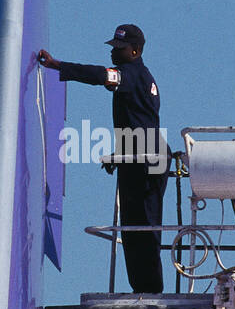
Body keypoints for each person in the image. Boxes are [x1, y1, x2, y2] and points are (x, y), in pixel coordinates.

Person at [38, 24, 169, 293]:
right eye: (113, 48)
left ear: (135, 50)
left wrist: (57, 65)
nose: (114, 54)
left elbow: (100, 76)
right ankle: (143, 290)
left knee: (143, 226)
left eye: (120, 50)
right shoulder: (139, 75)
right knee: (133, 227)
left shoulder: (132, 74)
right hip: (138, 155)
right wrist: (120, 158)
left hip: (147, 157)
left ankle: (151, 291)